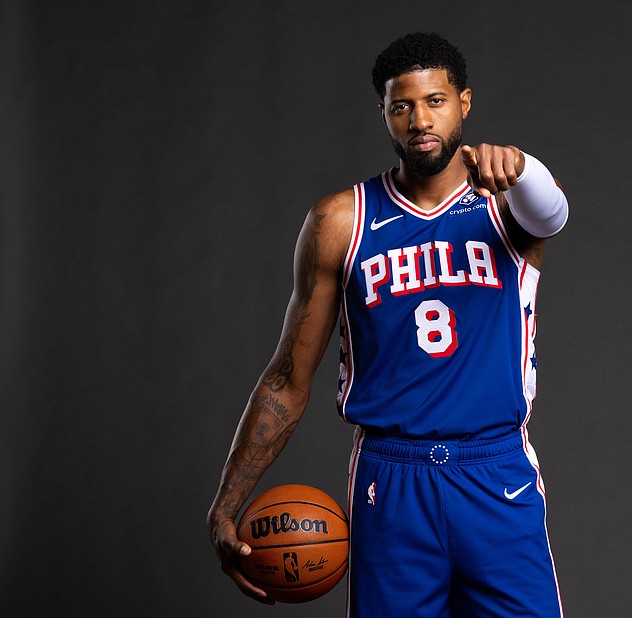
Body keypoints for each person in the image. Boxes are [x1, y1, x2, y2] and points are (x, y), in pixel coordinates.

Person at [207, 31, 568, 617]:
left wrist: (526, 168)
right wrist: (227, 502)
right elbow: (287, 377)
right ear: (384, 114)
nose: (420, 119)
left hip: (496, 471)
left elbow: (553, 211)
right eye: (402, 106)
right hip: (391, 479)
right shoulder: (340, 221)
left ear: (464, 103)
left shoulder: (507, 204)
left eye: (435, 101)